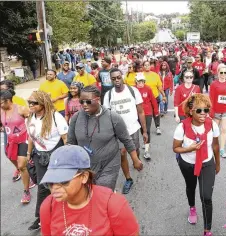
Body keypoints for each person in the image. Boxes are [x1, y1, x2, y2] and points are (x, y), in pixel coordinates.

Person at [40, 145, 140, 236]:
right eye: (51, 181)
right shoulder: (48, 207)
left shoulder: (113, 205)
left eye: (63, 180)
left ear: (84, 177)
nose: (54, 188)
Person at [68, 85, 141, 193]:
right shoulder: (76, 118)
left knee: (102, 192)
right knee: (88, 194)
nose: (84, 105)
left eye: (88, 101)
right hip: (85, 166)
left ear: (98, 100)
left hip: (109, 164)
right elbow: (70, 143)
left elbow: (126, 139)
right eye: (81, 101)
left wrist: (135, 160)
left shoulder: (113, 117)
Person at [173, 93, 220, 236]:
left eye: (206, 110)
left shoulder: (212, 124)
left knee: (206, 197)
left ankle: (207, 231)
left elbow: (216, 146)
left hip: (207, 163)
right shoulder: (182, 127)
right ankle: (192, 207)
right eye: (199, 110)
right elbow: (176, 148)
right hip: (187, 163)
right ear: (191, 110)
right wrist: (190, 148)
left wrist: (217, 164)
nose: (203, 113)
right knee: (191, 187)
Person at [26, 91, 68, 230]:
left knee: (61, 185)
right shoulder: (30, 118)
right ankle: (41, 216)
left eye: (34, 103)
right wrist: (28, 153)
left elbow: (65, 138)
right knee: (43, 186)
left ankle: (67, 212)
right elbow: (31, 137)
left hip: (57, 155)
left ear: (43, 103)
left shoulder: (55, 117)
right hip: (40, 156)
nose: (31, 105)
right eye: (29, 103)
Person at [103, 69, 146, 194]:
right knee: (122, 153)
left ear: (122, 77)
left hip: (133, 128)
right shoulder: (108, 95)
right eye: (113, 78)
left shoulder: (133, 91)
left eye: (118, 77)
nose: (116, 80)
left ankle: (135, 159)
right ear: (111, 80)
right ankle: (128, 179)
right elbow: (106, 115)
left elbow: (141, 111)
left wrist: (145, 131)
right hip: (118, 132)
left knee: (135, 150)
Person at [0, 90, 32, 203]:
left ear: (8, 101)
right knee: (16, 163)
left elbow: (33, 120)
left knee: (22, 165)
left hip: (23, 139)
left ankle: (26, 192)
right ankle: (28, 173)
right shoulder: (1, 110)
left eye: (1, 103)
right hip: (11, 141)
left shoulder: (21, 108)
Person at [209, 64, 226, 159]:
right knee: (215, 131)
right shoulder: (214, 84)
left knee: (224, 130)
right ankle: (212, 148)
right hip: (216, 111)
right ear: (218, 72)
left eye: (225, 72)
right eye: (221, 72)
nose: (223, 74)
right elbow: (211, 99)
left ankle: (222, 149)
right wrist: (211, 111)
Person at [134, 72, 159, 160]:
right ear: (136, 81)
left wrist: (156, 111)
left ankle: (146, 151)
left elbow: (153, 100)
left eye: (142, 81)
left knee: (147, 130)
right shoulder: (133, 90)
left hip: (148, 112)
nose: (141, 83)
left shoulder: (148, 88)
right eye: (139, 81)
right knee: (141, 130)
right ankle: (145, 143)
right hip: (137, 113)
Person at [143, 61, 167, 135]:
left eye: (148, 65)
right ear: (143, 66)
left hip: (155, 97)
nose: (147, 66)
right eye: (145, 65)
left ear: (150, 66)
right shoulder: (141, 75)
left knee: (156, 113)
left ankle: (158, 127)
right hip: (145, 99)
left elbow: (159, 87)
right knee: (146, 114)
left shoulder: (155, 75)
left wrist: (163, 95)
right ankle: (146, 130)